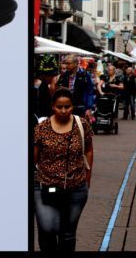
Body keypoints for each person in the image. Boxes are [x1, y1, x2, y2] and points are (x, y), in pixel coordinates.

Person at [34, 87, 94, 253]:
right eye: (59, 107)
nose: (63, 110)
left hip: (76, 188)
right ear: (53, 106)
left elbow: (88, 149)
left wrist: (88, 177)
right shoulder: (42, 128)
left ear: (72, 106)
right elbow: (34, 158)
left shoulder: (82, 125)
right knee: (48, 228)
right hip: (47, 186)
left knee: (68, 233)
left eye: (67, 106)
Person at [56, 54, 91, 118]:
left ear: (75, 64)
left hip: (80, 108)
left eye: (68, 64)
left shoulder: (85, 75)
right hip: (66, 108)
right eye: (66, 63)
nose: (66, 66)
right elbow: (59, 90)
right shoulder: (64, 75)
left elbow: (90, 92)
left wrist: (88, 108)